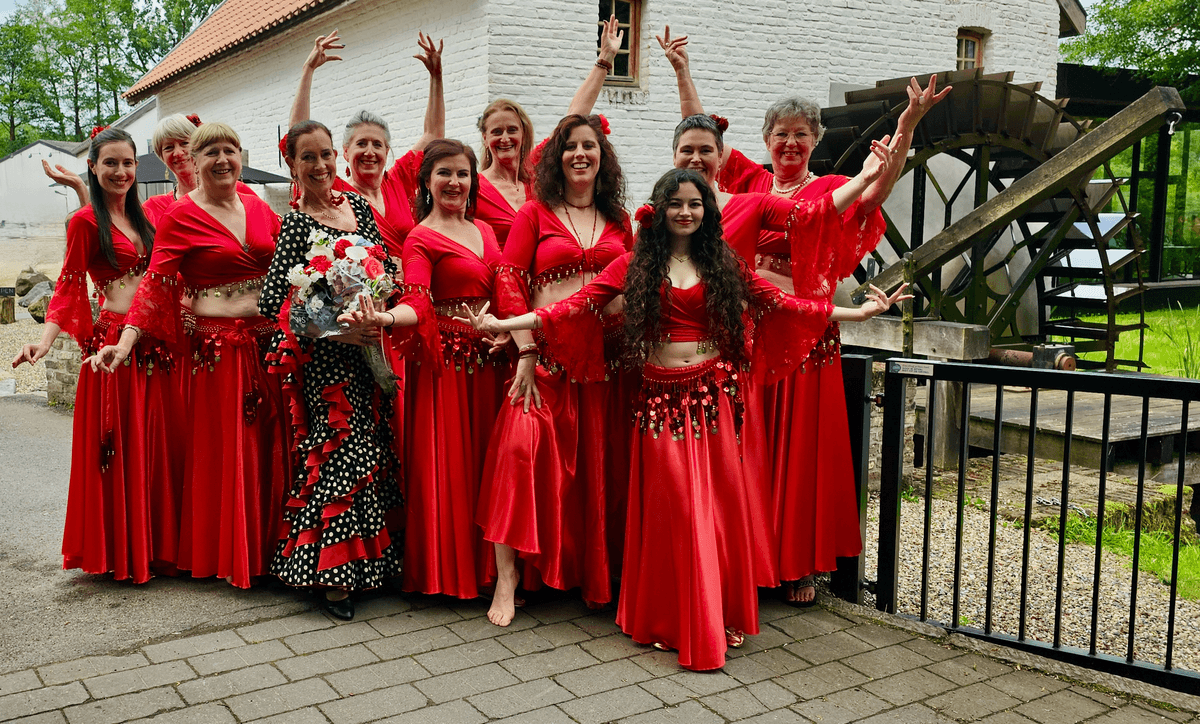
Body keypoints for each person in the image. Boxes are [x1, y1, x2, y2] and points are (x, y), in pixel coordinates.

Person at [458, 168, 909, 670]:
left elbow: (781, 302)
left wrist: (858, 316)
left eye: (694, 203)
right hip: (659, 404)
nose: (685, 212)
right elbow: (570, 308)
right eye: (676, 203)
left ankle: (709, 614)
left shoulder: (722, 263)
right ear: (660, 209)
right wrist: (505, 322)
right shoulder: (635, 266)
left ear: (707, 211)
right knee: (675, 508)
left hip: (711, 399)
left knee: (709, 511)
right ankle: (671, 616)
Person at [660, 26, 950, 604]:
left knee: (798, 454)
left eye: (800, 135)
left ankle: (796, 565)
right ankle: (742, 552)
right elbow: (701, 142)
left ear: (814, 139)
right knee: (745, 444)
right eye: (780, 135)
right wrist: (682, 72)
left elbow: (876, 186)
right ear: (765, 140)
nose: (789, 144)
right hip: (745, 335)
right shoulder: (748, 183)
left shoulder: (830, 188)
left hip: (806, 335)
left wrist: (909, 124)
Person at [89, 123, 290, 589]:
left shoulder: (260, 208)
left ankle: (270, 552)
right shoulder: (181, 216)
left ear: (241, 157)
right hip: (218, 350)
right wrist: (126, 339)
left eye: (230, 151)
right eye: (211, 152)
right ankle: (230, 554)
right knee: (229, 450)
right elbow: (157, 285)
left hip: (266, 342)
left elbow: (289, 271)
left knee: (272, 445)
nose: (223, 160)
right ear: (194, 163)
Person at [480, 113, 632, 626]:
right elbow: (508, 281)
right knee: (519, 456)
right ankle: (508, 577)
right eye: (570, 147)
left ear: (602, 157)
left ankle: (595, 572)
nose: (580, 155)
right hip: (544, 358)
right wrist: (523, 350)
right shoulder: (535, 214)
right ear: (556, 157)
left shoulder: (619, 220)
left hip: (605, 363)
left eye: (589, 146)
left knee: (596, 468)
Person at [339, 139, 507, 600]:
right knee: (454, 464)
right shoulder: (421, 236)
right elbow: (417, 298)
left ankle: (497, 570)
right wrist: (385, 319)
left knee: (492, 465)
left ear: (474, 181)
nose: (455, 182)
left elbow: (504, 286)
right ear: (427, 183)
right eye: (444, 174)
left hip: (489, 360)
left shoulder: (486, 232)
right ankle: (454, 573)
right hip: (448, 367)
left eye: (463, 174)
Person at [14, 128, 180, 584]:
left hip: (149, 343)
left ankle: (155, 546)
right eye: (111, 163)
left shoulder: (146, 220)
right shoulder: (85, 223)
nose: (122, 172)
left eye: (127, 163)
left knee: (152, 441)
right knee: (119, 443)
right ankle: (119, 551)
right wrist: (44, 343)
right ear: (94, 166)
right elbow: (68, 284)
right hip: (111, 348)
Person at [259, 120, 403, 620]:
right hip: (327, 362)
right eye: (307, 158)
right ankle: (333, 575)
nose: (320, 166)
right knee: (340, 452)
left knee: (370, 451)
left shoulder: (358, 207)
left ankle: (368, 565)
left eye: (325, 155)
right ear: (292, 166)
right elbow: (278, 304)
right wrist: (341, 331)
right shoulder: (296, 224)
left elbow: (387, 270)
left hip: (370, 354)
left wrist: (380, 304)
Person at [474, 14, 625, 249]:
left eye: (512, 130)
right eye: (496, 132)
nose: (505, 138)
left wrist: (605, 59)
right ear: (485, 138)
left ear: (523, 134)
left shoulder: (536, 169)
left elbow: (572, 117)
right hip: (497, 282)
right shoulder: (473, 186)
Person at [289, 29, 444, 255]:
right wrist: (308, 70)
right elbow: (298, 137)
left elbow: (433, 135)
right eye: (361, 144)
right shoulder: (332, 189)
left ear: (387, 150)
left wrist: (436, 77)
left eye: (377, 145)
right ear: (345, 152)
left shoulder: (399, 181)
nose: (369, 152)